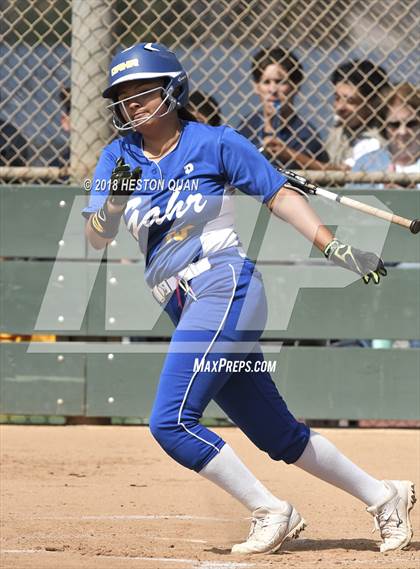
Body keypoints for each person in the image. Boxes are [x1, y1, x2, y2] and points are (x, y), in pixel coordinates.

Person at [82, 42, 415, 555]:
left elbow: (279, 194)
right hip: (185, 304)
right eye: (123, 96)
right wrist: (114, 201)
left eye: (142, 91)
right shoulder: (117, 157)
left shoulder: (214, 142)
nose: (132, 103)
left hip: (224, 286)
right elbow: (96, 236)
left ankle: (271, 511)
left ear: (172, 89)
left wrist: (333, 246)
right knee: (277, 434)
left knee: (170, 423)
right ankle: (384, 495)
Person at [238, 47, 329, 170]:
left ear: (295, 86)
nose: (273, 90)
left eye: (280, 82)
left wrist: (288, 153)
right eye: (266, 82)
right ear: (256, 86)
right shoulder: (248, 124)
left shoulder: (305, 133)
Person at [325, 59, 389, 168]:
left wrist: (288, 153)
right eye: (337, 98)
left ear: (373, 104)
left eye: (350, 101)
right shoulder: (340, 126)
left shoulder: (374, 141)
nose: (339, 107)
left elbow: (342, 174)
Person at [353, 83, 419, 181]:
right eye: (394, 125)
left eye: (411, 123)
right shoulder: (367, 164)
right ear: (384, 127)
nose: (402, 132)